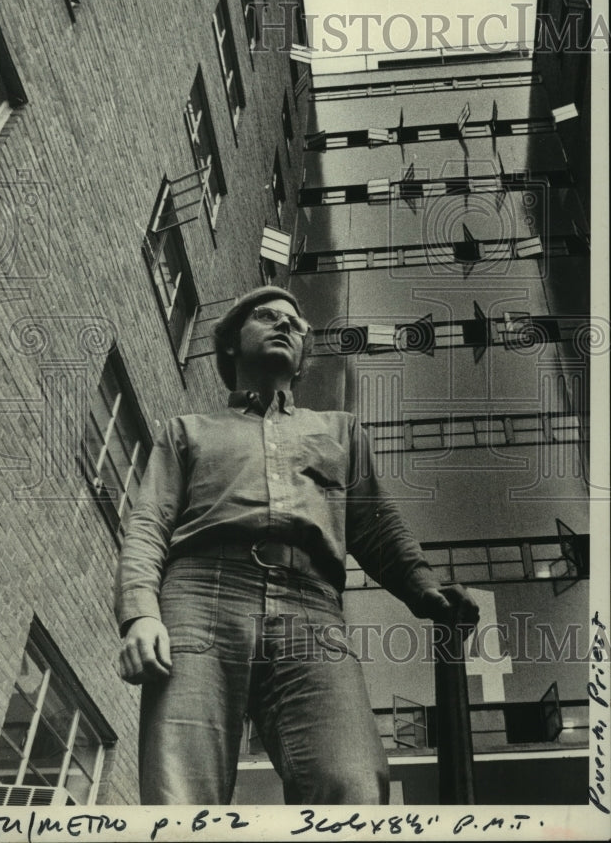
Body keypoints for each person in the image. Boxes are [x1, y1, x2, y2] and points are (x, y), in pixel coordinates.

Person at [114, 286, 479, 805]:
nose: (286, 325)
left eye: (296, 323)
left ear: (304, 355)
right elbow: (149, 521)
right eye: (267, 316)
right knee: (181, 791)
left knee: (352, 784)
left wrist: (425, 590)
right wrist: (140, 613)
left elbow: (377, 527)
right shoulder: (187, 432)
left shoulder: (340, 431)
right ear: (232, 345)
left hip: (314, 611)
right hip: (200, 598)